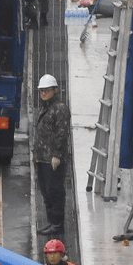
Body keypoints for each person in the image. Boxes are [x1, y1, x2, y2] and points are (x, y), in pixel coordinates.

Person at [34, 73, 72, 236]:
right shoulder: (46, 107)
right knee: (45, 190)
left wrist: (56, 156)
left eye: (46, 91)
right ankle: (51, 222)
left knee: (55, 191)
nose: (43, 94)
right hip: (42, 158)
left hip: (53, 159)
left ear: (54, 91)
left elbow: (61, 134)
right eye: (41, 91)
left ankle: (57, 224)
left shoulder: (60, 109)